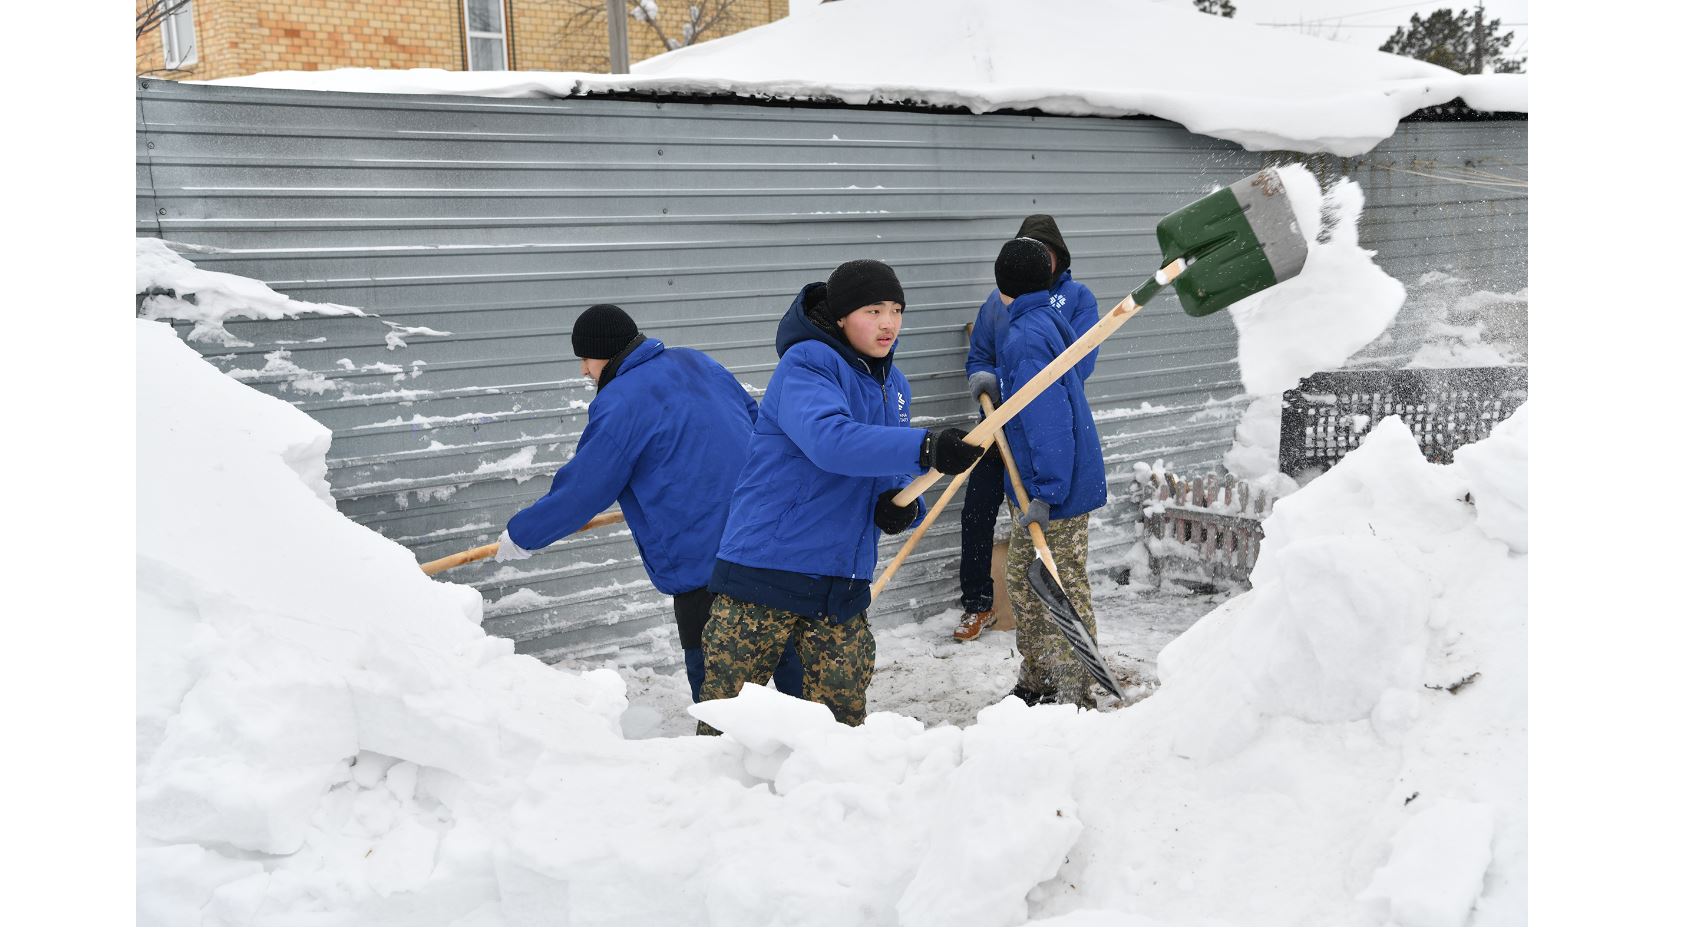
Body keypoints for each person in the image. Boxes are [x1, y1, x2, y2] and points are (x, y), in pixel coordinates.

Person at [696, 260, 982, 733]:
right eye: (874, 310)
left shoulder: (895, 385)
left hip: (840, 584)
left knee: (840, 729)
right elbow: (832, 442)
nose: (889, 322)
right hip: (767, 573)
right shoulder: (806, 364)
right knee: (728, 724)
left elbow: (885, 470)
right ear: (843, 315)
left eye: (897, 309)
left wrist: (903, 505)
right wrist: (924, 446)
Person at [495, 303, 801, 703]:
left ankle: (728, 759)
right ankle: (815, 756)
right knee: (794, 670)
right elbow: (758, 424)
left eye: (585, 359)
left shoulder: (620, 401)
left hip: (707, 568)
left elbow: (585, 488)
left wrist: (522, 535)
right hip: (772, 543)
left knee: (722, 695)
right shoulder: (696, 362)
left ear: (603, 352)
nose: (584, 371)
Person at [955, 214, 1100, 642]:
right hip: (1001, 427)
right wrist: (986, 382)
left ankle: (1069, 672)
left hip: (1042, 434)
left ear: (1057, 257)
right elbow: (980, 353)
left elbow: (1075, 367)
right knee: (977, 512)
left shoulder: (1073, 300)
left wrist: (1013, 384)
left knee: (1050, 561)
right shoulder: (998, 305)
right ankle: (978, 603)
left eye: (1046, 252)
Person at [987, 238, 1109, 708]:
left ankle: (1073, 688)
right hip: (1050, 483)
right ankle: (1039, 677)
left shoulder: (1024, 335)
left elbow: (1048, 418)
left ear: (1001, 287)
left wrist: (1047, 491)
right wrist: (997, 385)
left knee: (1058, 584)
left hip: (1055, 488)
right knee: (1024, 580)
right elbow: (1039, 391)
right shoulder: (1044, 320)